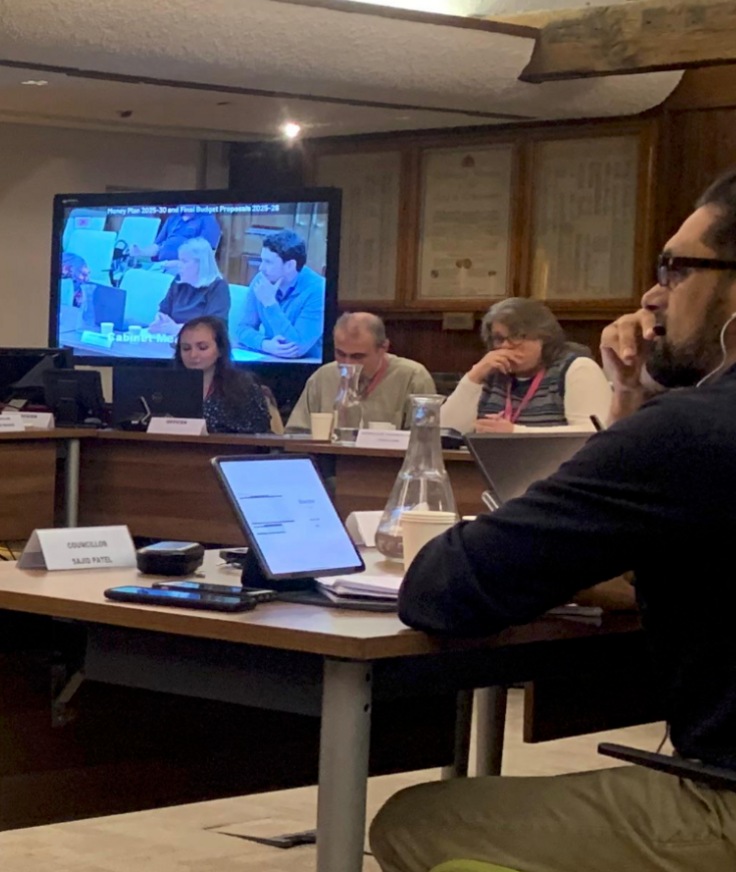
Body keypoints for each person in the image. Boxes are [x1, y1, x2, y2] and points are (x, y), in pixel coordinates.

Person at [370, 170, 736, 872]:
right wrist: (632, 390)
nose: (653, 296)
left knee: (422, 822)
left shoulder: (695, 432)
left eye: (678, 268)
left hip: (726, 801)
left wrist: (649, 403)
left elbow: (448, 588)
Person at [439, 298, 610, 434]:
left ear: (544, 337)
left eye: (517, 336)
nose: (505, 346)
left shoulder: (577, 369)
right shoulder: (492, 372)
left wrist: (516, 432)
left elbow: (593, 434)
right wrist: (474, 377)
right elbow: (445, 432)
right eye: (499, 338)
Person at [285, 312, 436, 431]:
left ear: (383, 348)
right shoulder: (323, 377)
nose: (348, 364)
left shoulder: (413, 378)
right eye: (340, 354)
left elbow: (423, 442)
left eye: (358, 356)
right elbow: (296, 434)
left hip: (388, 467)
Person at [231, 230, 326, 360]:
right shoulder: (261, 279)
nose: (261, 268)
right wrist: (265, 344)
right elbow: (242, 329)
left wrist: (270, 303)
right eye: (262, 261)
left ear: (290, 265)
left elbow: (296, 348)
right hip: (270, 358)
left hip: (307, 367)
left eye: (268, 262)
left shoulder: (318, 290)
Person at [173, 315, 271, 434]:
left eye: (202, 348)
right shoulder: (167, 386)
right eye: (186, 348)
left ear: (220, 349)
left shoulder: (243, 388)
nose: (193, 355)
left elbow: (260, 433)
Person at [147, 237, 230, 336]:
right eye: (179, 260)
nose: (179, 265)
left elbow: (215, 327)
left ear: (201, 263)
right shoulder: (179, 281)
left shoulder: (218, 286)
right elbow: (164, 310)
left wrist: (178, 329)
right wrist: (160, 321)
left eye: (184, 261)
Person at [131, 210, 222, 263]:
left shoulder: (207, 219)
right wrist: (141, 252)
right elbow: (157, 246)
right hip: (161, 265)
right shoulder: (173, 217)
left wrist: (179, 264)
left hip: (185, 268)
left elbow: (205, 255)